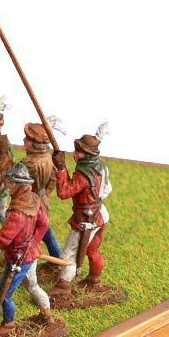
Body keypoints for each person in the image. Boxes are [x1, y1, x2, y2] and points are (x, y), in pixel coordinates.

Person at [0, 163, 56, 337]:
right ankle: (47, 315)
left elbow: (3, 239)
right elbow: (43, 224)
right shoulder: (34, 199)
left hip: (20, 259)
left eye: (10, 183)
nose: (7, 186)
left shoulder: (18, 212)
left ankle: (8, 324)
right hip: (29, 253)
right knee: (32, 285)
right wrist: (33, 242)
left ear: (18, 184)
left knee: (5, 291)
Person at [49, 125, 113, 298]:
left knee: (70, 252)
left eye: (79, 152)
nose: (75, 154)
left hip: (86, 219)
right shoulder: (101, 167)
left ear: (88, 154)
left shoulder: (84, 175)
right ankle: (94, 279)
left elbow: (64, 192)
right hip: (100, 213)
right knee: (92, 249)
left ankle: (63, 285)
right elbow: (107, 189)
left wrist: (61, 168)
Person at [21, 122, 62, 258]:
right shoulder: (49, 157)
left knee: (30, 233)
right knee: (45, 231)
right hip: (42, 199)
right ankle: (57, 257)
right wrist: (45, 194)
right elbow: (53, 179)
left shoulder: (28, 163)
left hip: (30, 203)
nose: (24, 140)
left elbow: (17, 181)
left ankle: (25, 259)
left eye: (27, 139)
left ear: (34, 144)